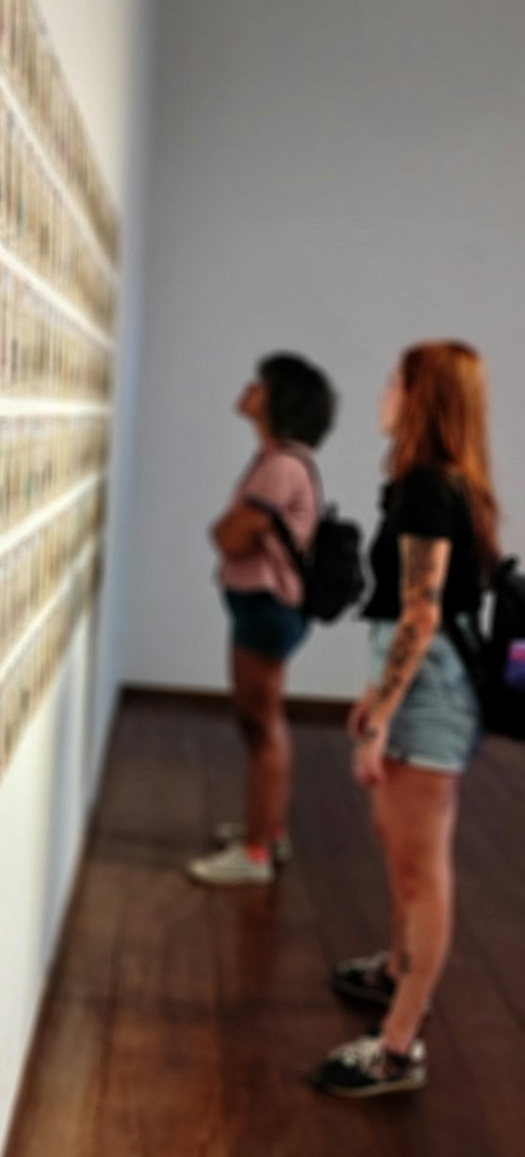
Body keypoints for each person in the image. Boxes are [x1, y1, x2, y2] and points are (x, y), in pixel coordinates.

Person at [314, 341, 499, 1098]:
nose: (384, 391)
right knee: (401, 852)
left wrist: (381, 717)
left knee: (421, 871)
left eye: (396, 380)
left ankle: (399, 1046)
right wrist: (374, 691)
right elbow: (408, 618)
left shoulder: (428, 487)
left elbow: (421, 614)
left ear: (422, 398)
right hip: (424, 679)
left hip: (431, 693)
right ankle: (396, 970)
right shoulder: (439, 484)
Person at [189, 354, 337, 886]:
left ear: (279, 398)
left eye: (261, 384)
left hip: (267, 606)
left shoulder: (281, 464)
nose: (249, 389)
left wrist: (225, 528)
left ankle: (255, 852)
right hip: (267, 605)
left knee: (262, 722)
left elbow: (230, 535)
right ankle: (267, 831)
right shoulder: (278, 458)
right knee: (263, 721)